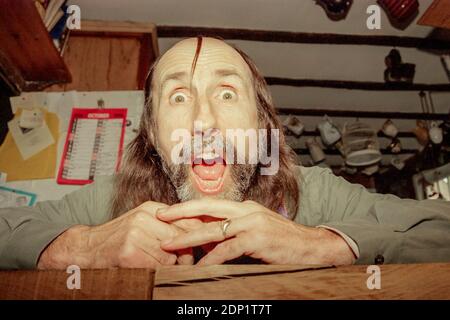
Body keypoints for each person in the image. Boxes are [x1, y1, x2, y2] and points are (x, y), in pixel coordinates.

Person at [1, 37, 449, 270]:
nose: (204, 120)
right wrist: (81, 247)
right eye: (178, 97)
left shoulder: (314, 195)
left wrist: (324, 242)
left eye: (228, 94)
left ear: (260, 126)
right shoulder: (111, 202)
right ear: (154, 136)